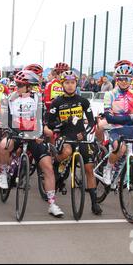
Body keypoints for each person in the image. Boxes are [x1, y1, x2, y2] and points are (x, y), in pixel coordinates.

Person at [0, 68, 65, 218]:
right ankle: (3, 172)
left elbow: (40, 119)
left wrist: (39, 134)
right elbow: (6, 120)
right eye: (17, 85)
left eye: (21, 86)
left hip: (33, 135)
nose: (17, 88)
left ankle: (52, 204)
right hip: (16, 133)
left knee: (47, 167)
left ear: (29, 87)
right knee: (3, 145)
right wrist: (9, 133)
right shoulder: (10, 98)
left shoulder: (37, 98)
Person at [46, 70, 102, 215]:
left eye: (72, 83)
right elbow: (51, 124)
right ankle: (57, 166)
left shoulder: (83, 101)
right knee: (66, 152)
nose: (70, 86)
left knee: (89, 168)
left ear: (76, 84)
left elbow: (91, 121)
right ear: (62, 84)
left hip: (80, 137)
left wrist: (83, 133)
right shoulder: (57, 102)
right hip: (65, 136)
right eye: (67, 83)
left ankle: (94, 202)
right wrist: (64, 122)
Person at [100, 62, 133, 214]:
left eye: (127, 79)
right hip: (116, 130)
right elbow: (109, 118)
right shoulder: (110, 94)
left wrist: (120, 118)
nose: (124, 81)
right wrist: (125, 118)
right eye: (121, 78)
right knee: (121, 148)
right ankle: (108, 168)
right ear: (117, 79)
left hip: (132, 130)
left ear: (131, 80)